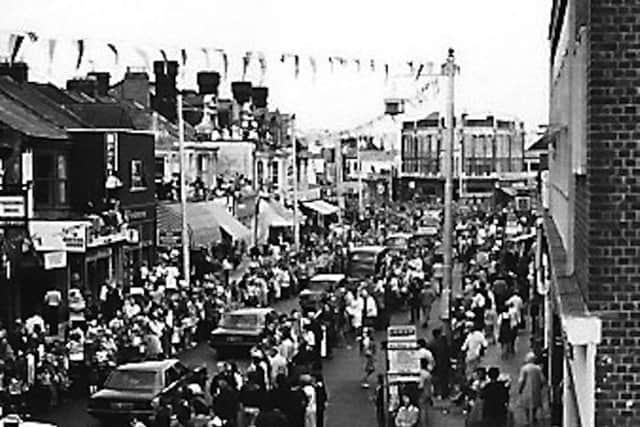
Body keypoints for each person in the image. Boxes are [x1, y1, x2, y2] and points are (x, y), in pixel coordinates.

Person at [518, 352, 546, 426]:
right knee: (535, 404)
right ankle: (533, 416)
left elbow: (522, 380)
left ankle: (527, 419)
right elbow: (543, 380)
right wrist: (540, 387)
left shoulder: (524, 368)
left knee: (526, 405)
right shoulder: (538, 368)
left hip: (526, 389)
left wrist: (520, 389)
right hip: (536, 389)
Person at [417, 358, 433, 427]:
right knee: (424, 410)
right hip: (426, 393)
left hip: (421, 392)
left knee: (422, 410)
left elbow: (420, 385)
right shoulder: (428, 374)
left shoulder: (419, 373)